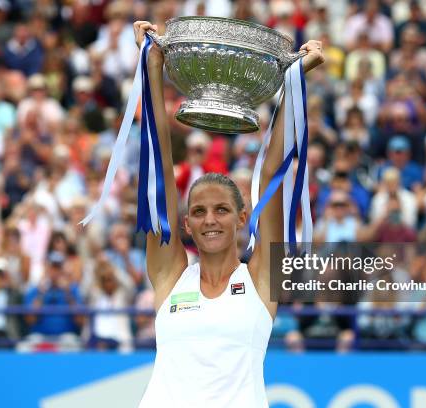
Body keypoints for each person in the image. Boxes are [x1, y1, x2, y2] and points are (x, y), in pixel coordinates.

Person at [132, 21, 325, 407]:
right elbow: (160, 167)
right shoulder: (171, 276)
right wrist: (152, 65)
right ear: (186, 224)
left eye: (222, 209)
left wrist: (294, 83)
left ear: (242, 218)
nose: (209, 219)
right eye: (199, 211)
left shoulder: (261, 278)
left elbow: (272, 172)